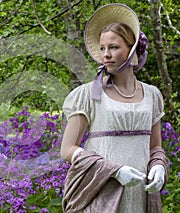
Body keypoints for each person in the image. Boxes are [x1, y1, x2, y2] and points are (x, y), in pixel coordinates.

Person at [60, 3, 170, 213]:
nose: (106, 55)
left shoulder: (152, 95)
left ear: (132, 50)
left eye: (113, 47)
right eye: (102, 48)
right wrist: (115, 171)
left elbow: (155, 147)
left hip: (140, 192)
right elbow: (67, 150)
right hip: (101, 189)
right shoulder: (88, 94)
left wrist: (158, 165)